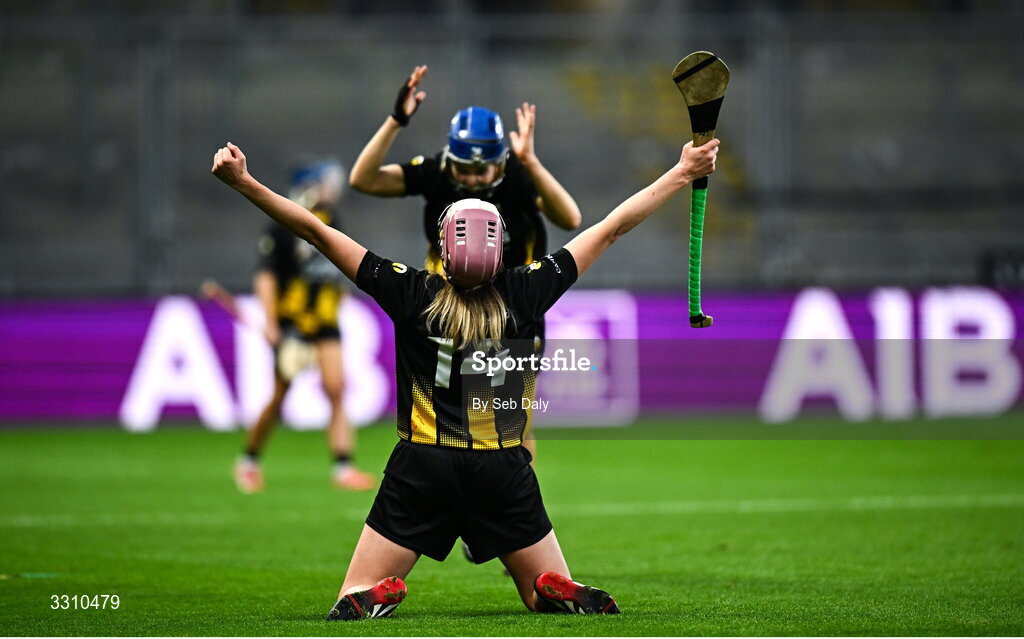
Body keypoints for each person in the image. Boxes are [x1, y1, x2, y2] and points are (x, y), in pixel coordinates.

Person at [211, 134, 719, 619]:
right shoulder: (526, 292)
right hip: (503, 469)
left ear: (444, 247)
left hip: (422, 467)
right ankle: (548, 584)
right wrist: (682, 171)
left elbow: (316, 231)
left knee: (353, 591)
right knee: (536, 594)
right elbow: (610, 227)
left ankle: (376, 592)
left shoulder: (411, 292)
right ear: (500, 247)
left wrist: (244, 183)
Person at [349, 65, 581, 469]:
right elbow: (363, 180)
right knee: (442, 423)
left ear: (501, 162)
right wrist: (396, 121)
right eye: (464, 169)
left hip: (512, 313)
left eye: (482, 170)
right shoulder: (436, 173)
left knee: (512, 425)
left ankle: (512, 501)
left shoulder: (518, 177)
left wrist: (531, 162)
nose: (473, 179)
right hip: (449, 310)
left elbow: (570, 218)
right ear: (450, 159)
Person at [233, 159, 375, 493]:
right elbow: (266, 276)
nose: (331, 190)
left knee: (336, 389)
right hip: (293, 324)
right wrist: (271, 323)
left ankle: (343, 466)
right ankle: (249, 460)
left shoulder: (332, 220)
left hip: (325, 322)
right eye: (324, 184)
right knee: (279, 399)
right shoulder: (282, 225)